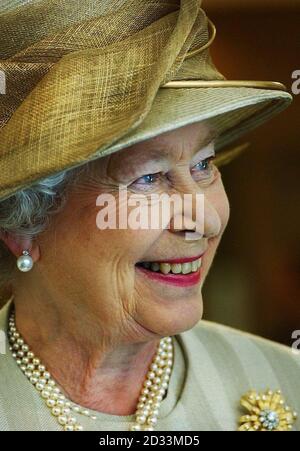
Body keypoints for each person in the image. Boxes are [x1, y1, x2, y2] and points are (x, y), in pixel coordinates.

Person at [0, 0, 298, 431]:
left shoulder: (286, 379)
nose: (204, 220)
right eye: (149, 178)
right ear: (22, 222)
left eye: (204, 165)